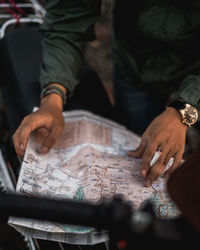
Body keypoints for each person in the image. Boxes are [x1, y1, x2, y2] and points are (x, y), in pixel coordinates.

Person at [13, 0, 200, 187]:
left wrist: (183, 112)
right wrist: (52, 100)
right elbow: (67, 22)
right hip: (134, 65)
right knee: (138, 151)